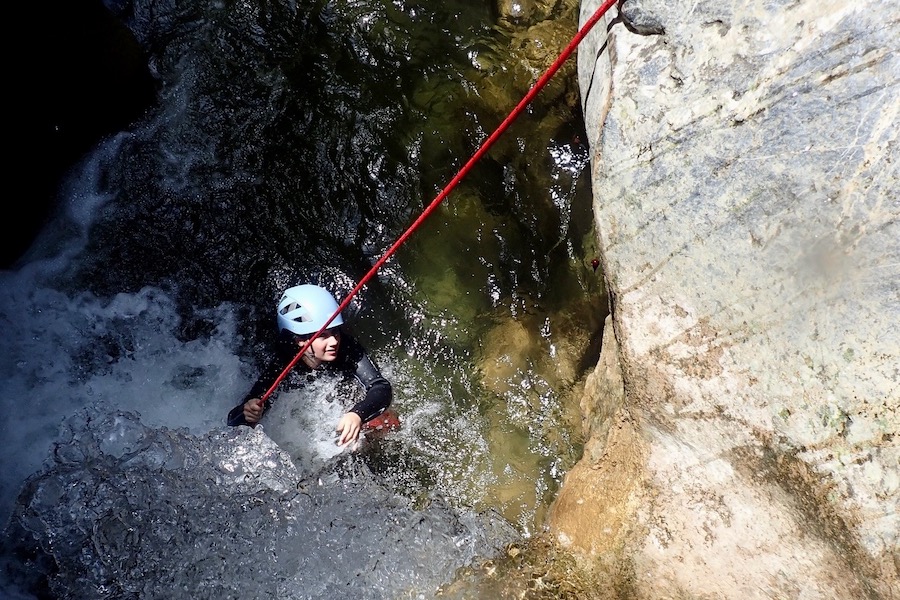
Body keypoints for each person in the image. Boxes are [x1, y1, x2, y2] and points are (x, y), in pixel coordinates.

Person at [227, 284, 397, 446]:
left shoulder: (348, 348)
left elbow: (380, 386)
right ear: (300, 340)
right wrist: (247, 412)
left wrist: (357, 414)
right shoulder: (282, 364)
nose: (334, 341)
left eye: (335, 332)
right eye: (323, 335)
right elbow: (233, 421)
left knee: (388, 423)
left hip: (344, 398)